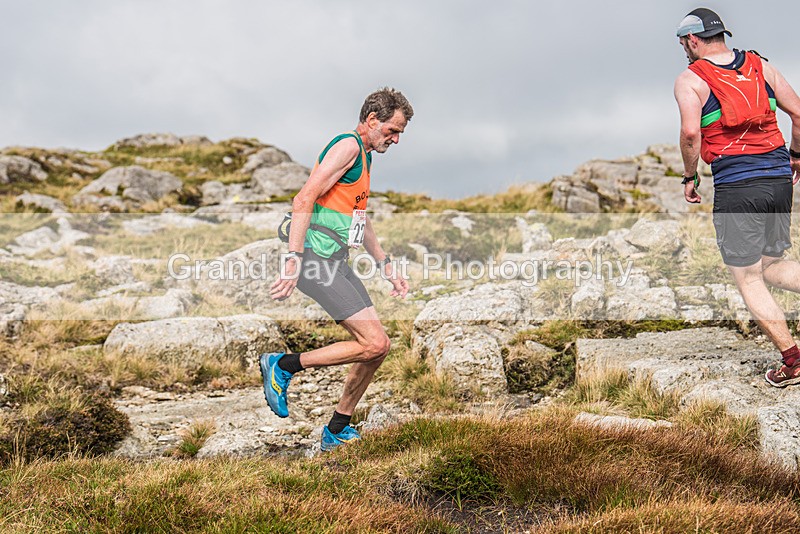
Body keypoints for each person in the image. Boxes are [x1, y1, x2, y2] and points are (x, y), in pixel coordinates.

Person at [261, 87, 413, 450]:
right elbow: (303, 198)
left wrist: (386, 265)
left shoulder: (366, 155)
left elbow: (360, 219)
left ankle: (337, 428)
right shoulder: (347, 147)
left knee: (379, 347)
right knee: (372, 342)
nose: (395, 140)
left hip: (336, 261)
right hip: (314, 260)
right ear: (372, 120)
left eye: (400, 134)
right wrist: (294, 259)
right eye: (392, 131)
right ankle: (283, 365)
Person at [673, 8, 800, 387]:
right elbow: (798, 112)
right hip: (779, 178)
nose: (684, 49)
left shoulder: (691, 79)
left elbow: (691, 134)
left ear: (693, 40)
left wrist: (690, 176)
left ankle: (792, 362)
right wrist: (795, 156)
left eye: (683, 43)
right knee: (771, 264)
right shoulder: (760, 65)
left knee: (747, 277)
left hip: (738, 187)